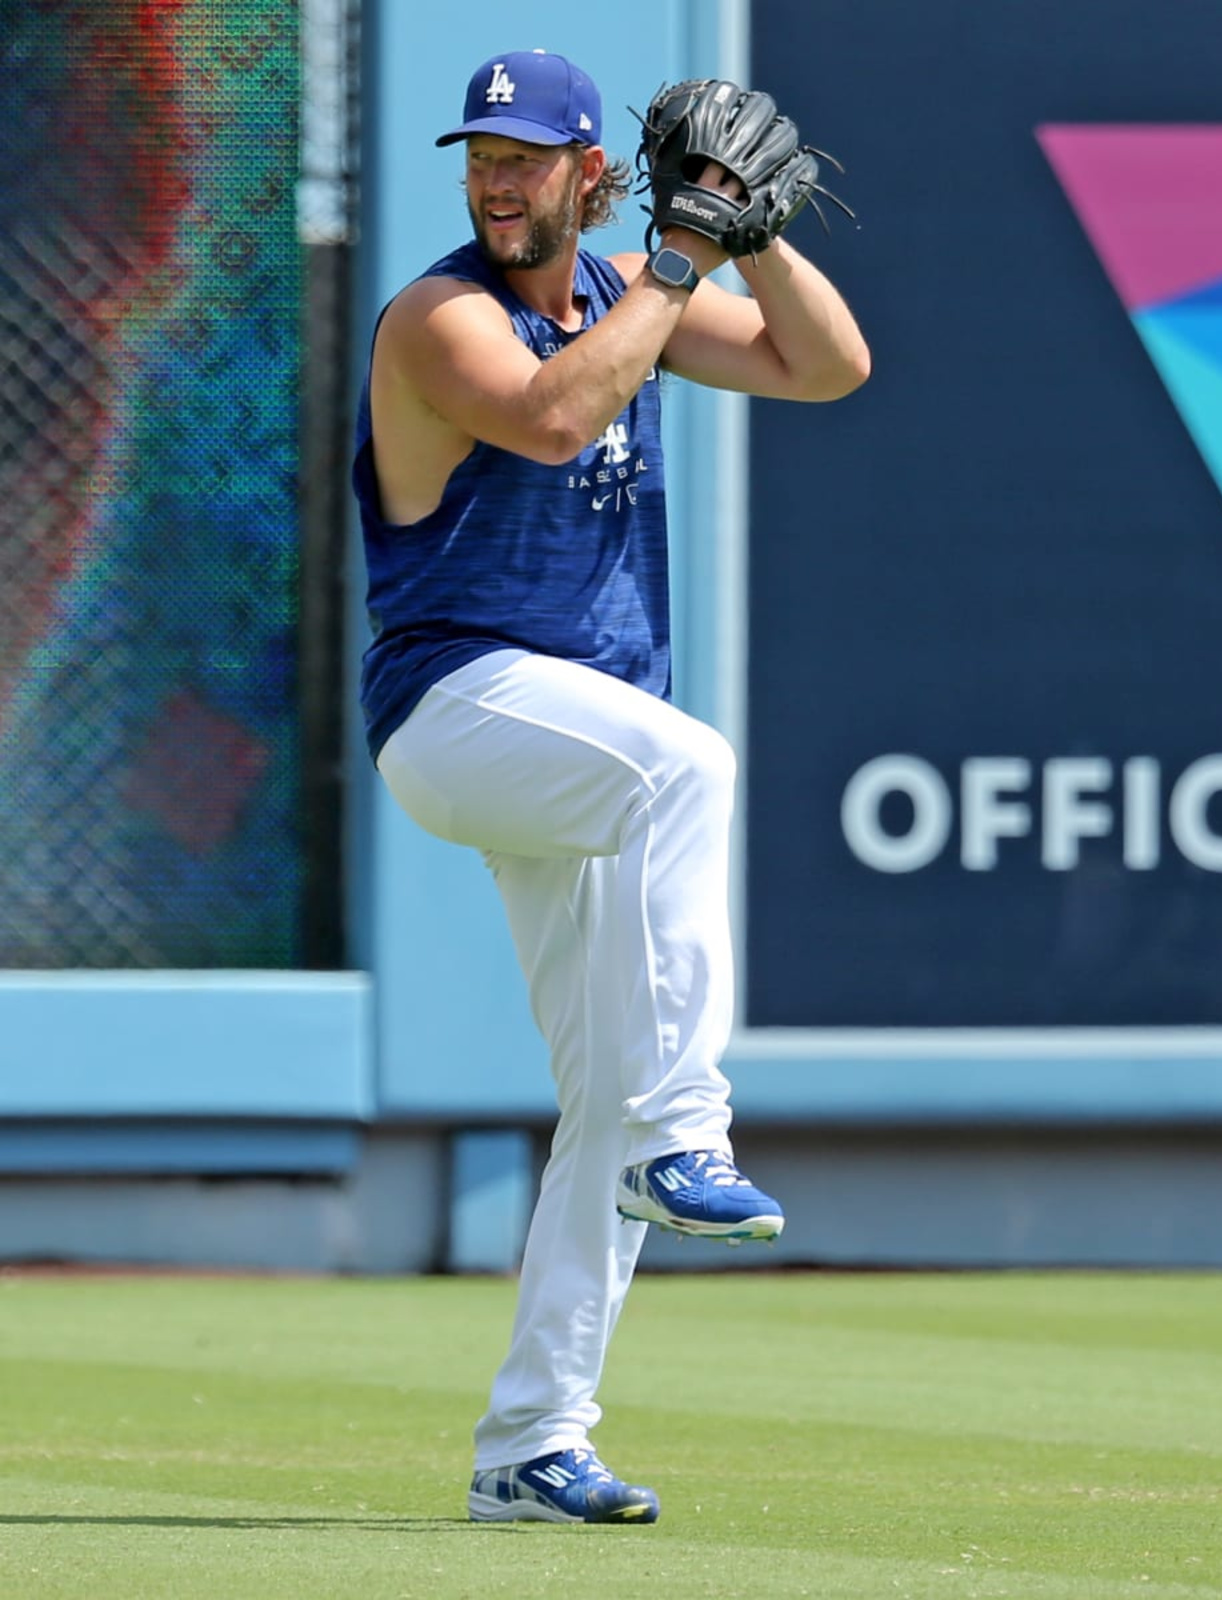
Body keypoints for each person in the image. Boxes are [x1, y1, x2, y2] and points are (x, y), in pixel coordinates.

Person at [352, 49, 870, 1525]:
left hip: (577, 740)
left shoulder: (633, 286)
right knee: (690, 766)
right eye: (479, 155)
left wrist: (754, 240)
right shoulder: (442, 315)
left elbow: (825, 367)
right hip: (457, 704)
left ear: (590, 173)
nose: (495, 179)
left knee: (597, 1094)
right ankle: (685, 1130)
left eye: (525, 156)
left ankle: (532, 1441)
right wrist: (679, 263)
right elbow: (556, 418)